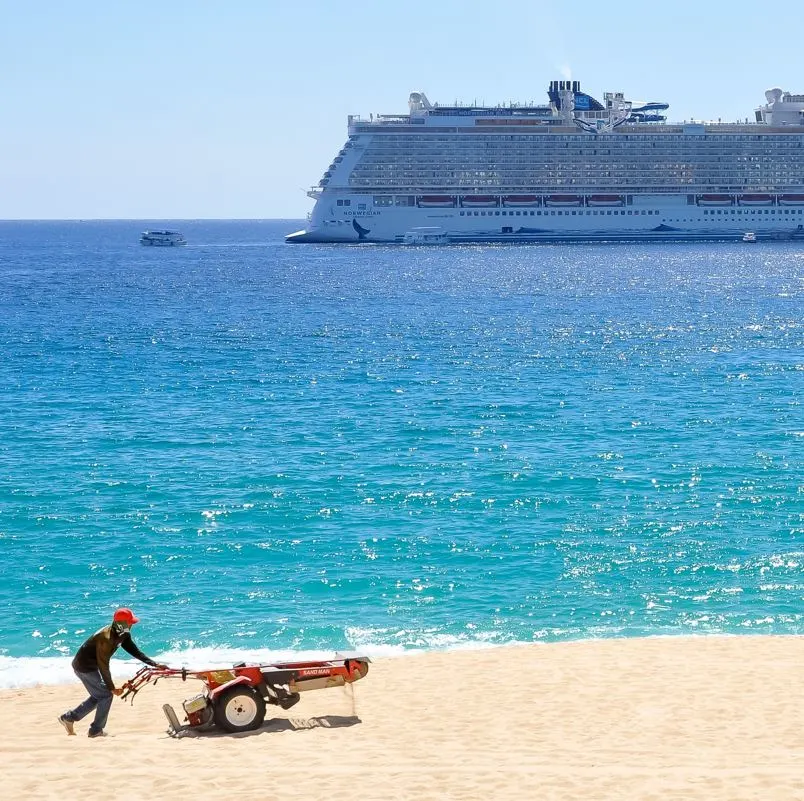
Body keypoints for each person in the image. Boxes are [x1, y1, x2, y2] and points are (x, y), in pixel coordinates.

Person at [58, 607, 167, 738]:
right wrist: (112, 688)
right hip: (84, 667)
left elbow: (134, 651)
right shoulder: (106, 638)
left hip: (92, 666)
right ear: (121, 624)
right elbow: (103, 665)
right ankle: (95, 731)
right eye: (130, 622)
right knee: (106, 695)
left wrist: (154, 664)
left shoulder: (123, 633)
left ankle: (69, 718)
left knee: (99, 696)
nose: (132, 625)